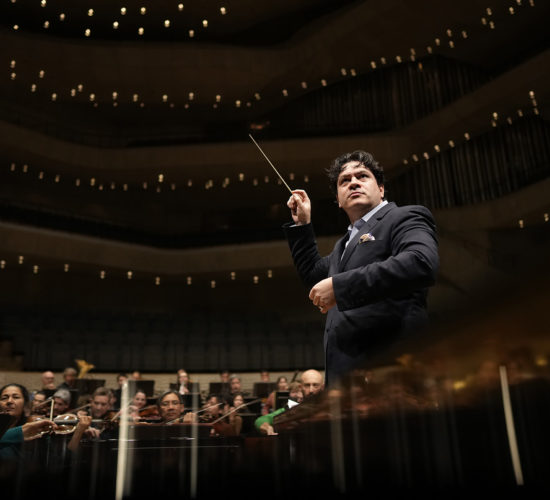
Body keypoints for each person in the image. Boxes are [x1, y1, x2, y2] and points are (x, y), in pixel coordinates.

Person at [284, 150, 439, 387]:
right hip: (346, 379)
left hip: (391, 373)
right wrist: (303, 224)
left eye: (362, 176)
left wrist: (340, 287)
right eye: (344, 181)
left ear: (381, 189)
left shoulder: (404, 216)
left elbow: (420, 262)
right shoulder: (343, 245)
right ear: (338, 199)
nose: (354, 182)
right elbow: (314, 277)